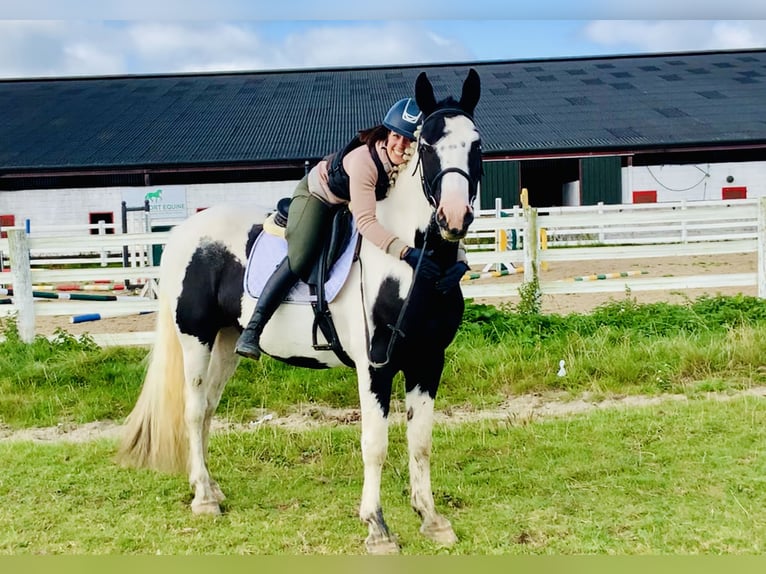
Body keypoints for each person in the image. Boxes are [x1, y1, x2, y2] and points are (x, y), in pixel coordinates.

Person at [235, 97, 465, 360]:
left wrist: (460, 259)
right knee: (301, 256)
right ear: (387, 133)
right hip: (320, 196)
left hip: (353, 200)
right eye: (397, 136)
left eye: (409, 140)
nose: (402, 145)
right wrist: (408, 254)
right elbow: (366, 222)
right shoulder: (364, 162)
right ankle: (253, 329)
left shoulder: (408, 168)